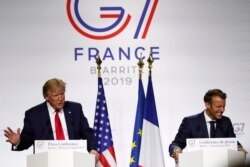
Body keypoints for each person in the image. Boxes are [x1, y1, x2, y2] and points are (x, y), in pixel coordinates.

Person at [4, 78, 99, 161]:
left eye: (62, 94)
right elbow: (27, 140)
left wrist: (93, 149)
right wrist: (18, 142)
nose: (60, 98)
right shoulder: (33, 115)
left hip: (74, 159)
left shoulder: (75, 109)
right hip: (47, 161)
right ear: (46, 97)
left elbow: (86, 132)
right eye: (56, 95)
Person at [169, 89, 247, 163]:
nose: (222, 110)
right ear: (207, 105)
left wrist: (240, 149)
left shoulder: (226, 121)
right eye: (218, 106)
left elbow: (233, 143)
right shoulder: (190, 122)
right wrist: (176, 150)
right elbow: (176, 144)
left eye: (224, 106)